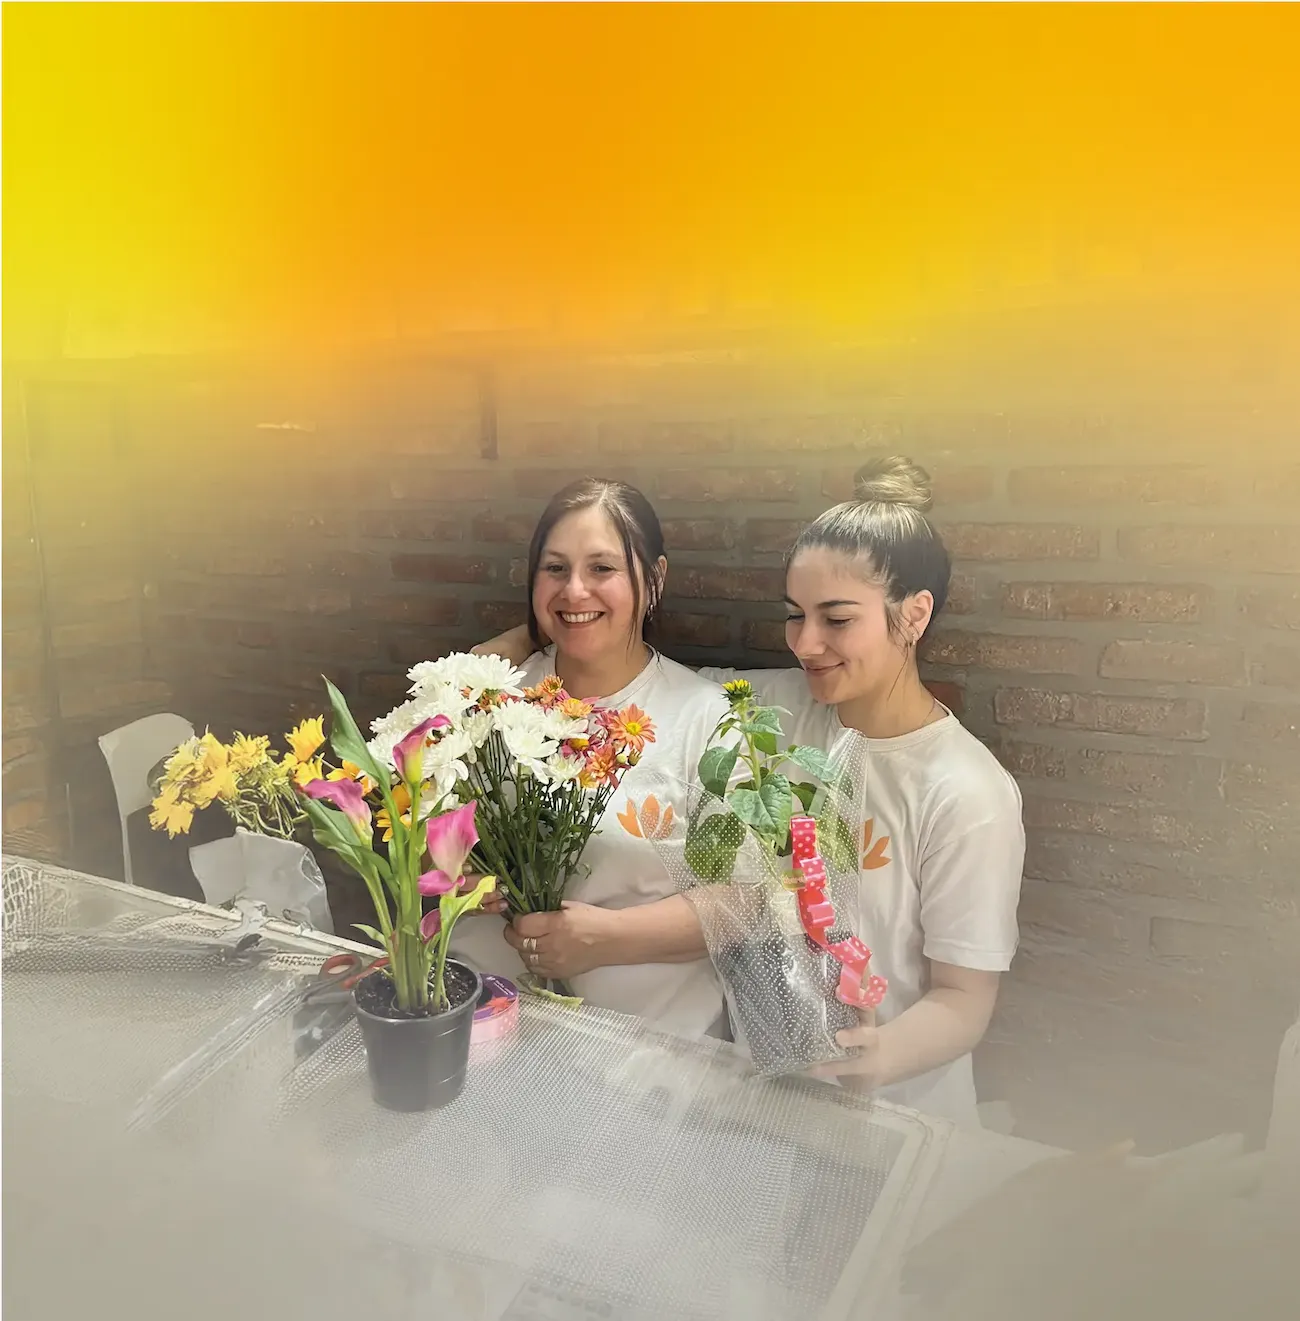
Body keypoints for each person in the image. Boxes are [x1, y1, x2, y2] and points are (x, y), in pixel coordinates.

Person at [475, 457, 1024, 1127]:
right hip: (766, 1086)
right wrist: (496, 656)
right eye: (796, 615)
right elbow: (616, 657)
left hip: (895, 1109)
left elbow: (965, 999)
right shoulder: (780, 703)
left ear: (914, 615)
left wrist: (871, 1056)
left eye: (837, 619)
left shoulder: (968, 791)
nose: (806, 643)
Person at [451, 477, 731, 1039]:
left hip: (643, 1050)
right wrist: (450, 879)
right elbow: (419, 831)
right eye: (555, 569)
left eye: (602, 569)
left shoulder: (707, 718)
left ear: (654, 580)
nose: (574, 591)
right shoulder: (488, 694)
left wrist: (608, 938)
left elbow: (744, 901)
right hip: (482, 1023)